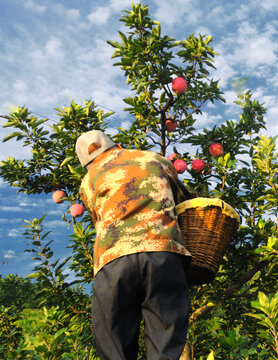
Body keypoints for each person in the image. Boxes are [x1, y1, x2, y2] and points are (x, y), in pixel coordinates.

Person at [75, 129, 194, 359]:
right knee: (165, 346)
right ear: (117, 145)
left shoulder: (89, 180)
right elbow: (185, 204)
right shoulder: (153, 159)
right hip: (163, 255)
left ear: (88, 164)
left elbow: (97, 220)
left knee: (113, 348)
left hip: (113, 261)